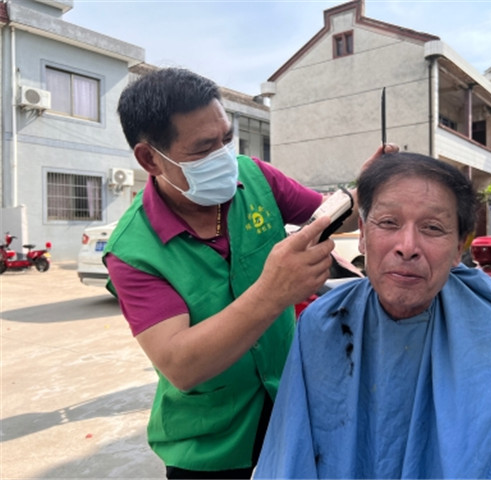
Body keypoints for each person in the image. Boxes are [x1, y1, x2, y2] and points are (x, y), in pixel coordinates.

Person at [104, 67, 391, 479]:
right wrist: (273, 292)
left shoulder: (255, 177)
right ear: (150, 159)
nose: (224, 156)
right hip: (209, 439)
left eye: (226, 138)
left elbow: (325, 216)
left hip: (289, 404)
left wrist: (367, 187)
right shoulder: (133, 251)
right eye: (203, 148)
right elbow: (181, 365)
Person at [254, 152, 491, 479]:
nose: (407, 246)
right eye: (389, 222)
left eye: (432, 227)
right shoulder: (322, 326)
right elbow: (291, 458)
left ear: (458, 248)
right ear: (363, 235)